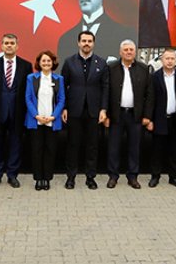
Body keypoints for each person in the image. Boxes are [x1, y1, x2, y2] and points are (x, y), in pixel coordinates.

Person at [61, 31, 109, 189]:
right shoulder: (69, 62)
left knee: (92, 146)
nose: (86, 43)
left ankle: (90, 177)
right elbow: (63, 87)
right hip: (74, 110)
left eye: (89, 41)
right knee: (73, 145)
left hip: (94, 111)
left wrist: (103, 109)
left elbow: (105, 87)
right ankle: (71, 177)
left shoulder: (101, 63)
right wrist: (65, 108)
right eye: (84, 41)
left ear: (94, 43)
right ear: (78, 43)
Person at [0, 34, 32, 188]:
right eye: (6, 43)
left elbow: (28, 92)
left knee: (15, 145)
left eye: (12, 43)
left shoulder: (26, 65)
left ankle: (12, 175)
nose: (9, 46)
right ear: (1, 46)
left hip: (18, 113)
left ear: (17, 46)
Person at [105, 40, 153, 189]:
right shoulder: (111, 68)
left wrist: (147, 116)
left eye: (131, 49)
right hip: (116, 114)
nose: (128, 52)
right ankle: (113, 176)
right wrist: (105, 114)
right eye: (125, 50)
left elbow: (149, 94)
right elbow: (106, 92)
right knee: (113, 147)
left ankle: (133, 176)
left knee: (134, 147)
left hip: (135, 115)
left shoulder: (144, 69)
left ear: (135, 52)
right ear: (120, 52)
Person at [147, 49, 176, 188]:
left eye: (172, 58)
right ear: (162, 60)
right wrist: (149, 119)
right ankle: (155, 176)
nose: (169, 61)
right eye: (167, 58)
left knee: (174, 149)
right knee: (157, 149)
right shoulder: (154, 77)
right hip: (159, 118)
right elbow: (150, 100)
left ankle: (173, 177)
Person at [24, 51, 66, 190]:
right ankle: (38, 179)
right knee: (36, 151)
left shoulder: (59, 79)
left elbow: (61, 99)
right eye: (44, 61)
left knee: (50, 151)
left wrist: (54, 116)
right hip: (36, 120)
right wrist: (36, 115)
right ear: (39, 63)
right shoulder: (32, 78)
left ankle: (47, 179)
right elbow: (28, 98)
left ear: (53, 63)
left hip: (52, 121)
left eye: (49, 61)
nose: (46, 63)